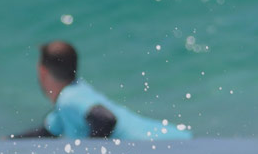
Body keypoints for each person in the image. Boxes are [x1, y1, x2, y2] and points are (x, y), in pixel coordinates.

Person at [11, 40, 192, 141]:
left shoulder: (69, 99)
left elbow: (105, 120)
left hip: (160, 145)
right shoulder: (73, 96)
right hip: (171, 138)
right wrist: (9, 141)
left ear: (42, 71)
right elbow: (48, 132)